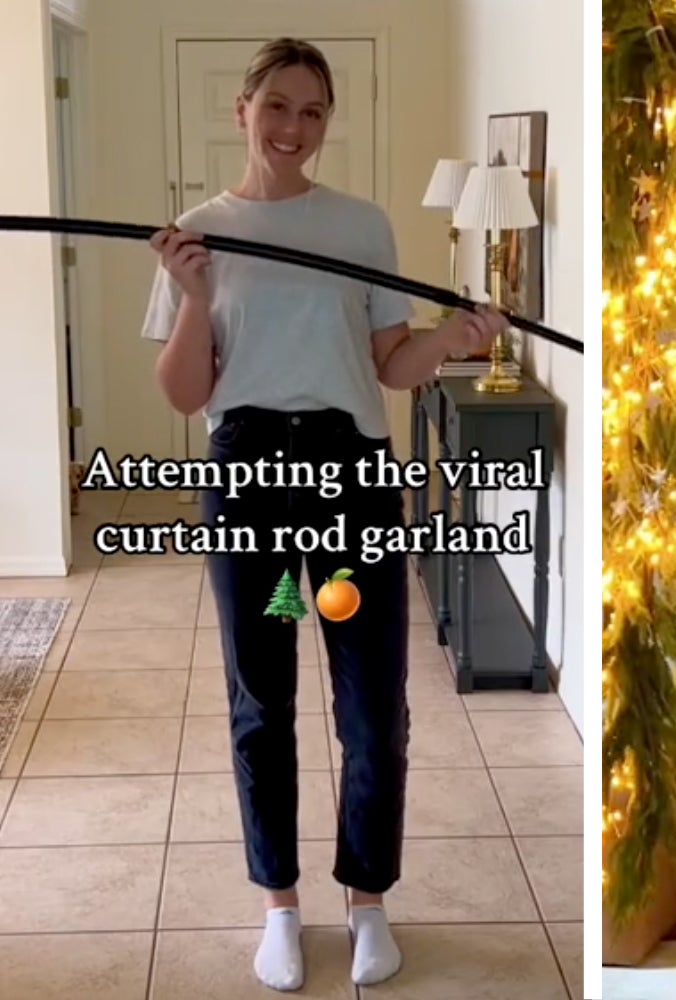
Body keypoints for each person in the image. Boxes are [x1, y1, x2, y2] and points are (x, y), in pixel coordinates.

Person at [141, 38, 507, 992]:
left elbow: (391, 362)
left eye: (312, 112)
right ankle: (280, 905)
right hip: (252, 484)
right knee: (262, 697)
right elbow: (187, 394)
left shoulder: (361, 228)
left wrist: (455, 339)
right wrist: (191, 295)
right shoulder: (197, 232)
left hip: (349, 487)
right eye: (277, 107)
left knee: (371, 700)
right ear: (243, 111)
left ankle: (368, 897)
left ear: (326, 122)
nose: (293, 128)